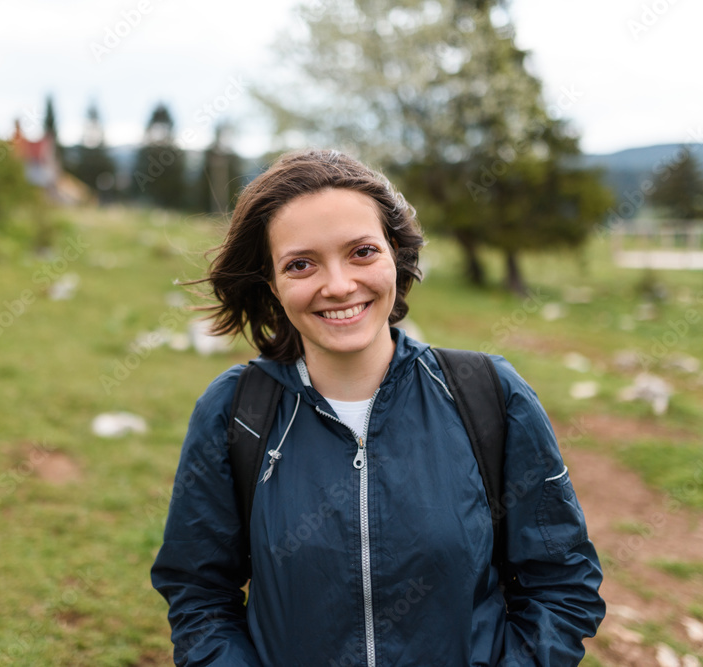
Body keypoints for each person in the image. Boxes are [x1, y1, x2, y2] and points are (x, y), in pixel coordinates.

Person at [151, 149, 604, 666]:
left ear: (397, 254)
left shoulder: (489, 393)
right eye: (300, 264)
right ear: (271, 284)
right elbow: (199, 596)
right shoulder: (235, 412)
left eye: (362, 252)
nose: (339, 284)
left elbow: (562, 583)